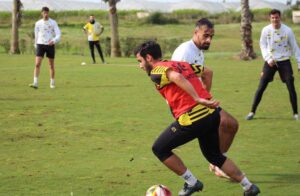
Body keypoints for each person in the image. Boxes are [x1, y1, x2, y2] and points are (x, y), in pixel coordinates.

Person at [134, 40, 260, 196]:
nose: (140, 66)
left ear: (148, 58)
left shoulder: (157, 71)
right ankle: (248, 187)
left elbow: (176, 77)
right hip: (211, 115)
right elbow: (208, 72)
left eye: (140, 61)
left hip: (193, 118)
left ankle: (192, 182)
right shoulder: (180, 63)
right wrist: (205, 96)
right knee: (214, 156)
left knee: (159, 148)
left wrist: (198, 98)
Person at [172, 18, 238, 178]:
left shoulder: (198, 51)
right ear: (196, 32)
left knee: (230, 124)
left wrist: (205, 95)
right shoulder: (185, 51)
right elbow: (175, 79)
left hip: (199, 102)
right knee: (227, 124)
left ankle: (217, 162)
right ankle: (218, 163)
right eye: (205, 35)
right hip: (188, 105)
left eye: (211, 36)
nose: (209, 40)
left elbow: (198, 79)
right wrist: (197, 100)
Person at [246, 9, 300, 121]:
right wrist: (268, 58)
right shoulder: (266, 30)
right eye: (273, 18)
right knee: (261, 87)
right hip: (270, 61)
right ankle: (252, 112)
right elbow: (262, 45)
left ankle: (296, 114)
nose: (275, 19)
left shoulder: (288, 31)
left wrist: (299, 63)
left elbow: (295, 47)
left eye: (277, 17)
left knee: (291, 85)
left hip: (285, 61)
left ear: (280, 18)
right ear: (270, 18)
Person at [29, 6, 61, 89]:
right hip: (40, 45)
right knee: (37, 64)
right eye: (44, 13)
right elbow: (36, 35)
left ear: (48, 13)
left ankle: (52, 83)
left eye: (47, 13)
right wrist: (35, 44)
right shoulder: (38, 23)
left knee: (51, 65)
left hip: (50, 45)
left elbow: (58, 34)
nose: (45, 14)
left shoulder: (53, 22)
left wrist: (53, 40)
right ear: (41, 13)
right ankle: (35, 83)